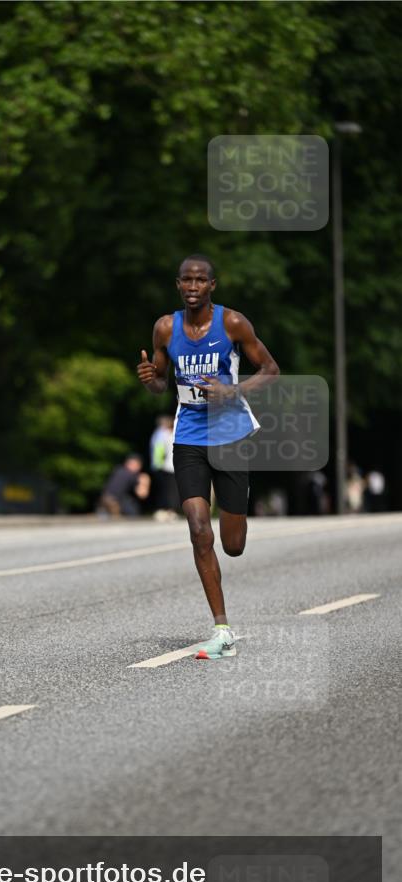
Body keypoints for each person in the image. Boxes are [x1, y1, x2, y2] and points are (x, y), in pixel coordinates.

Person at [137, 254, 280, 659]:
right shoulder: (165, 328)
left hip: (230, 433)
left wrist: (233, 391)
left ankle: (238, 519)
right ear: (178, 285)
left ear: (212, 286)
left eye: (201, 280)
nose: (193, 286)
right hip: (190, 437)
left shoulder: (233, 323)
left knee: (232, 545)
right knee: (200, 529)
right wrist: (151, 380)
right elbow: (161, 383)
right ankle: (221, 629)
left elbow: (270, 369)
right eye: (187, 280)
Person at [149, 415, 179, 521]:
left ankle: (166, 510)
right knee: (170, 490)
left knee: (166, 490)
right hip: (168, 466)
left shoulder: (160, 433)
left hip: (166, 466)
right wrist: (158, 464)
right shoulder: (166, 434)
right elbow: (160, 450)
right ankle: (169, 510)